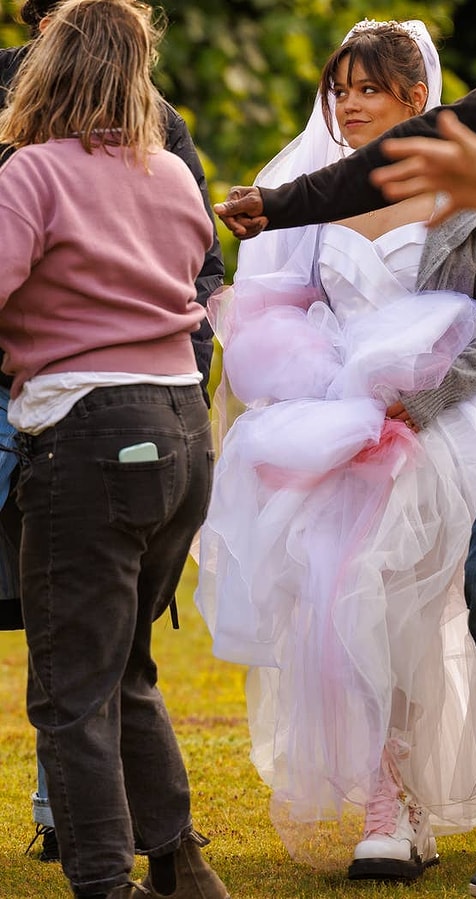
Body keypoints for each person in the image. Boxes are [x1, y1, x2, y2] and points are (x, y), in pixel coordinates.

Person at [211, 17, 476, 899]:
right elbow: (299, 297)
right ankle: (424, 804)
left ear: (414, 93)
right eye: (339, 90)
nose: (348, 104)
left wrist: (418, 402)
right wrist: (280, 215)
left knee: (464, 600)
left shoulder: (468, 203)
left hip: (449, 425)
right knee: (394, 600)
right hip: (381, 425)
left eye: (369, 88)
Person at [0, 0, 230, 897]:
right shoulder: (170, 171)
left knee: (70, 688)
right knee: (125, 662)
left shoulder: (31, 172)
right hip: (182, 431)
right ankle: (180, 861)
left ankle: (103, 882)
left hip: (88, 435)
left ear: (46, 66)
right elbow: (192, 274)